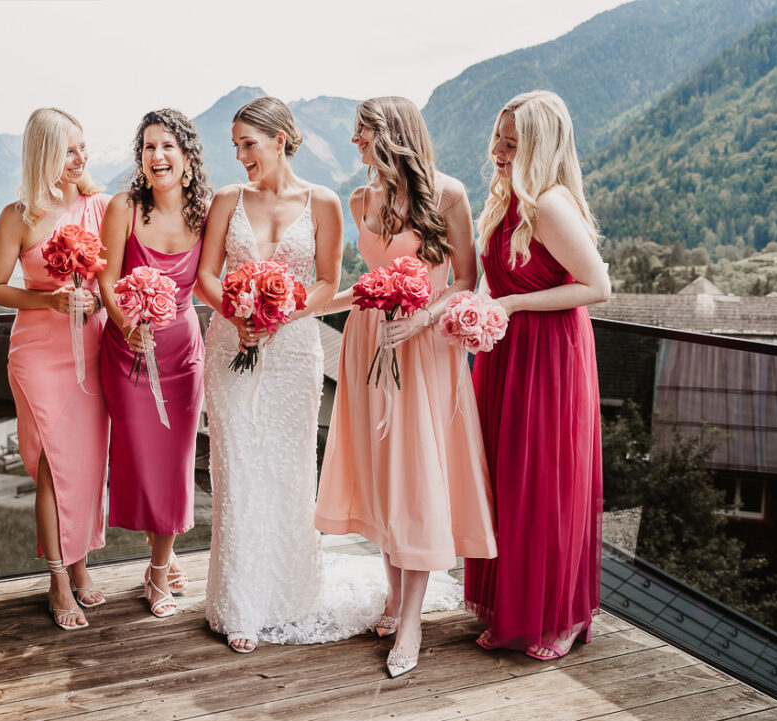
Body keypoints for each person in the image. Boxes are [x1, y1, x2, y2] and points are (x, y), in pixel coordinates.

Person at [314, 97, 497, 677]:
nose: (354, 142)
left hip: (425, 347)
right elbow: (365, 285)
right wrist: (301, 311)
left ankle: (413, 619)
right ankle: (394, 597)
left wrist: (419, 319)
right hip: (369, 342)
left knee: (416, 477)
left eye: (361, 132)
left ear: (391, 135)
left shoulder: (449, 194)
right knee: (379, 472)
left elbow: (467, 278)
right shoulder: (360, 198)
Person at [464, 90, 608, 661]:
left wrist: (514, 308)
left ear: (539, 147)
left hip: (549, 356)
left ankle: (563, 615)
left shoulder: (549, 204)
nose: (498, 151)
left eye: (512, 142)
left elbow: (597, 286)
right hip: (506, 355)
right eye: (498, 138)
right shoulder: (508, 201)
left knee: (545, 483)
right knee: (506, 480)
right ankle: (513, 607)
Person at [197, 97, 343, 653]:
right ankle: (239, 605)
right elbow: (207, 275)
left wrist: (282, 313)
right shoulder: (228, 200)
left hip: (294, 351)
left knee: (287, 472)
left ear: (281, 139)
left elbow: (329, 282)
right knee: (237, 470)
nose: (239, 156)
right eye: (235, 145)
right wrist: (239, 315)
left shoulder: (323, 203)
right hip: (231, 343)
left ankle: (288, 598)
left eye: (247, 144)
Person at [0, 108, 110, 631]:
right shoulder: (19, 214)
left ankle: (81, 566)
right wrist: (49, 302)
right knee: (53, 466)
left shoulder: (100, 206)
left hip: (93, 349)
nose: (80, 159)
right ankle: (58, 578)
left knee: (85, 465)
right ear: (43, 155)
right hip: (37, 353)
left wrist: (98, 302)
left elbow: (114, 281)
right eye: (69, 151)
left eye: (83, 147)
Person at [98, 109, 211, 619]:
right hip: (126, 351)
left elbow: (212, 280)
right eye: (147, 147)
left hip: (182, 352)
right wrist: (126, 322)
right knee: (142, 459)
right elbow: (106, 279)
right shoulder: (124, 206)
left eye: (167, 146)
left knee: (173, 462)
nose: (156, 156)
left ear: (186, 156)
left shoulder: (206, 212)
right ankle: (157, 556)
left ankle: (160, 570)